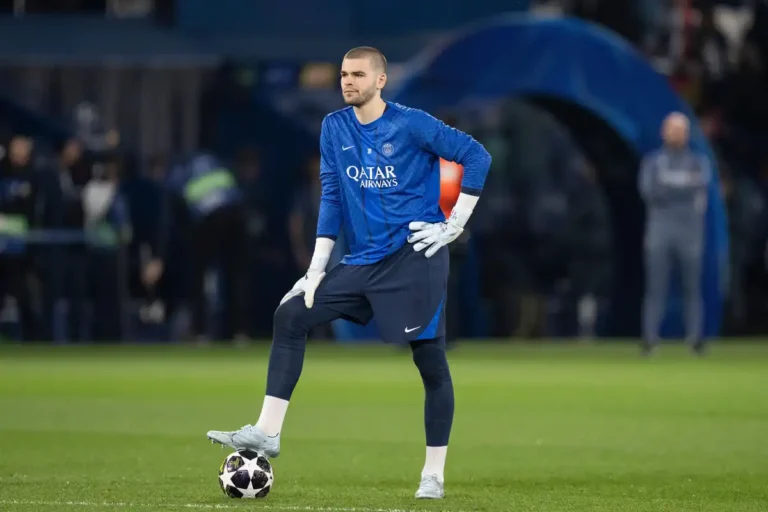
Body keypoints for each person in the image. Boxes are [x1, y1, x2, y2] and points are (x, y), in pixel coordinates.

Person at [206, 46, 491, 500]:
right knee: (291, 315)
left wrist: (454, 223)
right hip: (361, 261)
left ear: (380, 80)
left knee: (431, 364)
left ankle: (432, 474)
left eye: (358, 74)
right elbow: (333, 197)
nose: (348, 81)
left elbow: (477, 156)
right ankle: (267, 431)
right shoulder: (333, 127)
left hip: (414, 258)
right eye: (343, 74)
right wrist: (316, 269)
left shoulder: (412, 123)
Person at [142, 152, 248, 343]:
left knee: (197, 276)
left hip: (207, 220)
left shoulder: (174, 176)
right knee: (234, 276)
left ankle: (201, 332)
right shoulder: (210, 160)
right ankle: (238, 332)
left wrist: (159, 258)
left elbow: (167, 224)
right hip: (236, 215)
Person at [639, 112, 710, 355]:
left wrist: (669, 187)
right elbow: (650, 192)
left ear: (687, 134)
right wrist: (682, 187)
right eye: (672, 129)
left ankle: (695, 338)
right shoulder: (653, 162)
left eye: (680, 129)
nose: (676, 134)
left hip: (690, 233)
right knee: (655, 287)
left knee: (692, 287)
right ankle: (649, 339)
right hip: (659, 232)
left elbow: (700, 190)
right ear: (664, 132)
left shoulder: (699, 162)